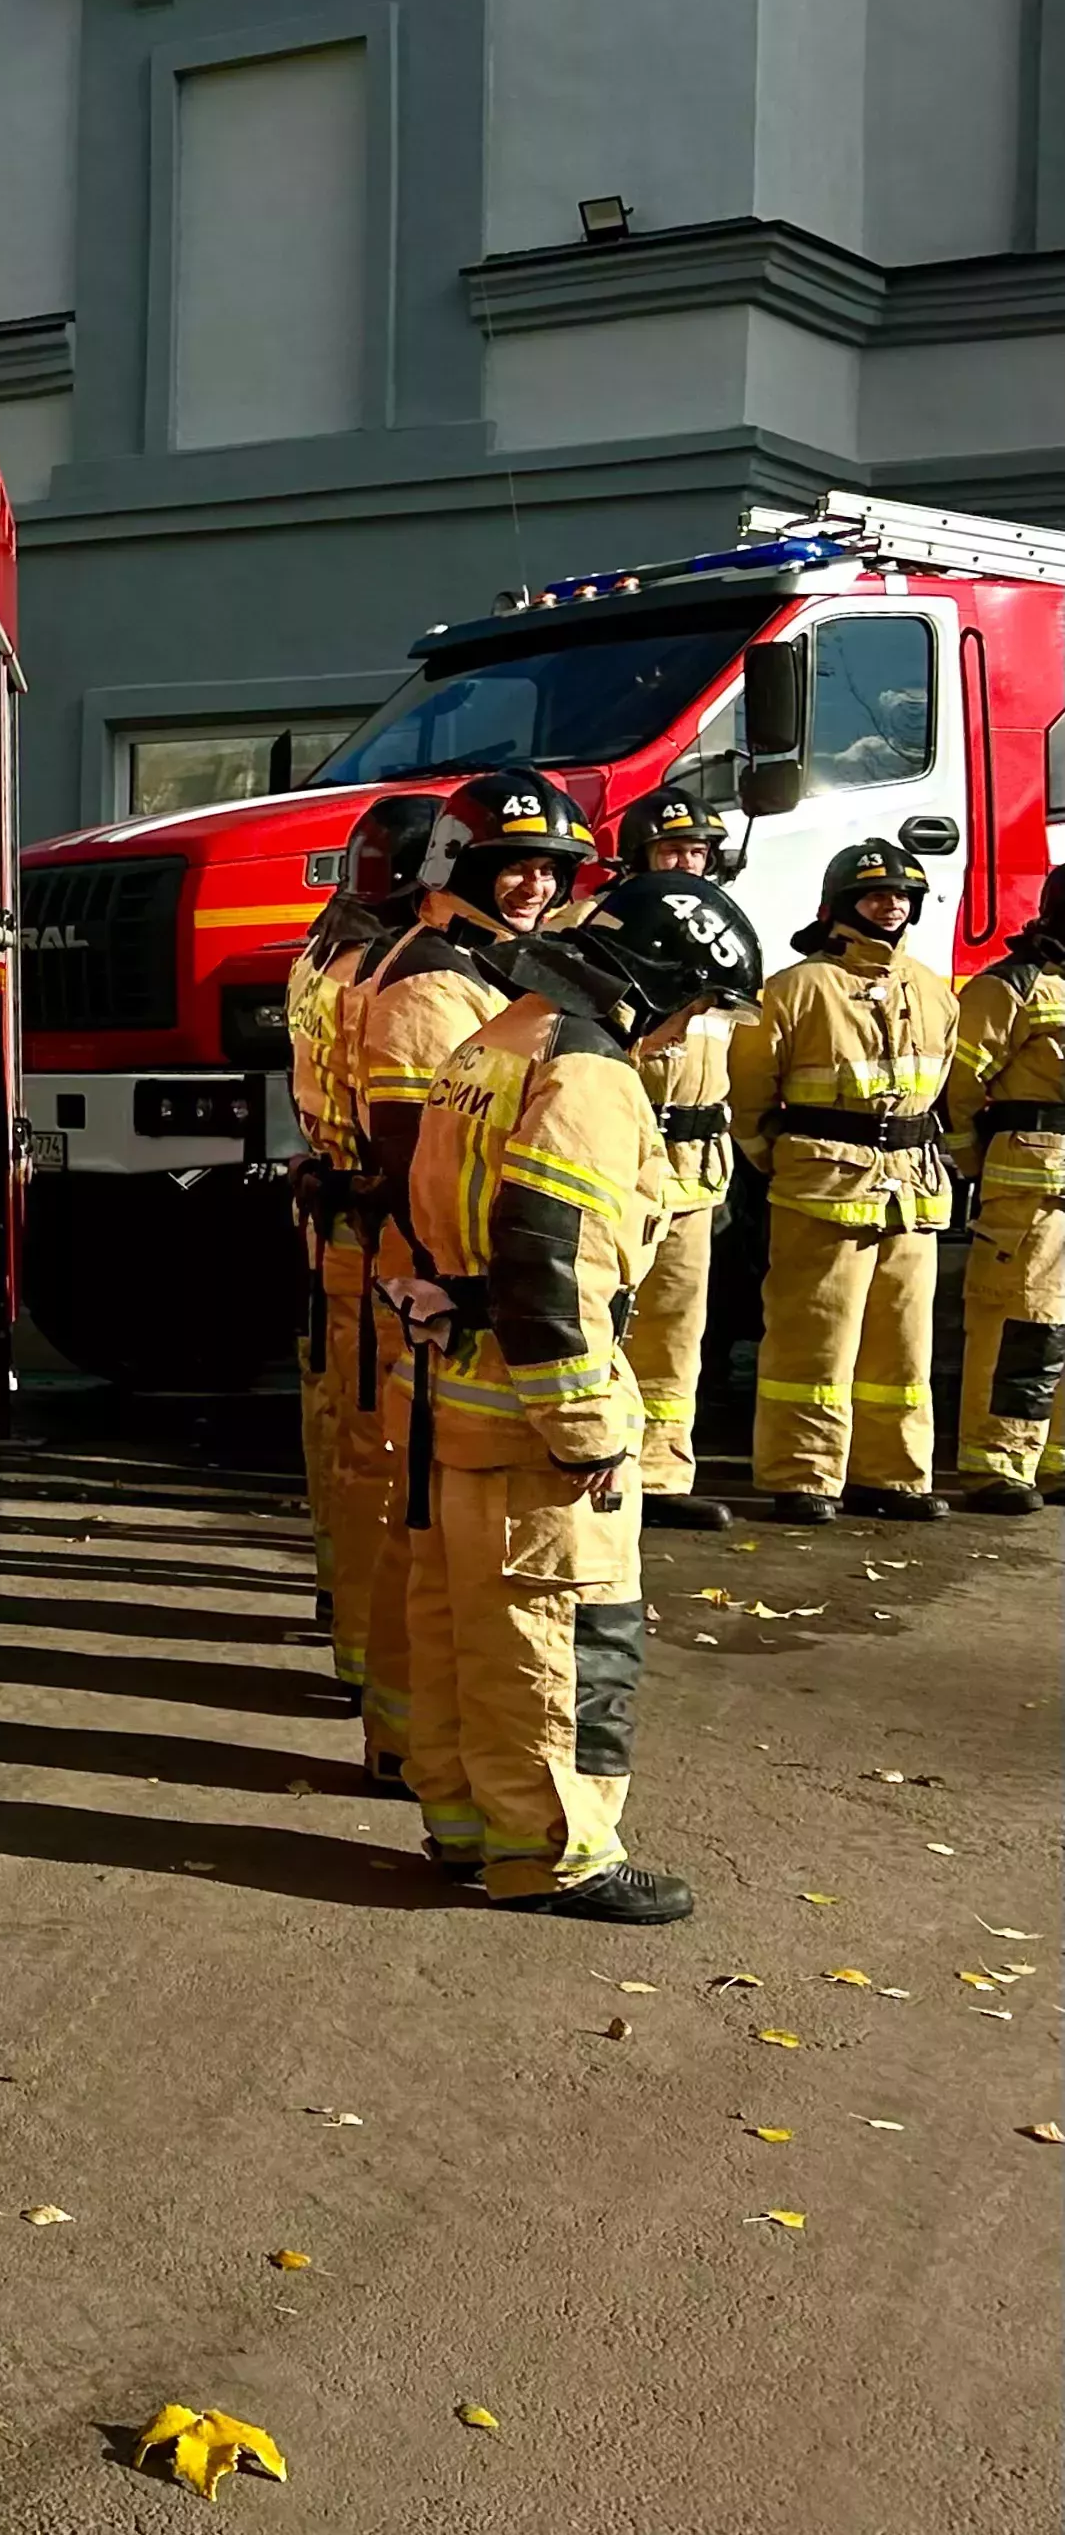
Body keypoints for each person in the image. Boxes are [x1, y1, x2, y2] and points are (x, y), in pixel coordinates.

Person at [399, 871, 762, 1921]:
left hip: (460, 1385)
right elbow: (549, 1261)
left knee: (465, 1626)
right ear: (659, 982)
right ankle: (553, 1856)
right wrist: (590, 1426)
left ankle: (466, 1827)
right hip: (532, 1410)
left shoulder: (503, 1035)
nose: (681, 1032)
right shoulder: (590, 1074)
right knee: (561, 1637)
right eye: (692, 1006)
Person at [342, 767, 597, 1780]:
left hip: (445, 1302)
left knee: (432, 1541)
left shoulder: (482, 966)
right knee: (431, 1544)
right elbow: (419, 1156)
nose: (533, 886)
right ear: (460, 869)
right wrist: (476, 1291)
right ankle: (412, 1748)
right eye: (512, 867)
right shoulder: (435, 983)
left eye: (547, 869)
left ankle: (425, 1763)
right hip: (438, 1304)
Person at [727, 839, 961, 1523]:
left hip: (911, 1189)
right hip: (820, 1188)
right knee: (813, 1336)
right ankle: (802, 1476)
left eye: (900, 896)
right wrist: (783, 1159)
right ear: (838, 906)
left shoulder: (929, 987)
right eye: (873, 895)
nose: (888, 906)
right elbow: (746, 1101)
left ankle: (891, 1475)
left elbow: (940, 1081)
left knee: (901, 1339)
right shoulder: (796, 989)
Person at [287, 795, 437, 1695]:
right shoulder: (395, 977)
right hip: (382, 1232)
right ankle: (367, 1653)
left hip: (336, 1216)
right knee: (384, 1456)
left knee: (342, 1435)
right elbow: (405, 1130)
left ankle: (346, 1622)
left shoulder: (323, 953)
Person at [610, 787, 744, 1527]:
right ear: (638, 857)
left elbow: (739, 1052)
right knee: (609, 1316)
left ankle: (661, 1476)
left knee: (676, 1326)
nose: (686, 864)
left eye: (696, 853)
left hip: (695, 1164)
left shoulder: (725, 938)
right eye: (671, 852)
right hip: (621, 1158)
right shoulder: (598, 930)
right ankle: (605, 1467)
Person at [942, 879, 1065, 1513]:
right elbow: (958, 1084)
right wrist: (970, 1160)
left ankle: (1057, 1460)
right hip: (1032, 1186)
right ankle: (998, 1463)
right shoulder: (1010, 986)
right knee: (1023, 1323)